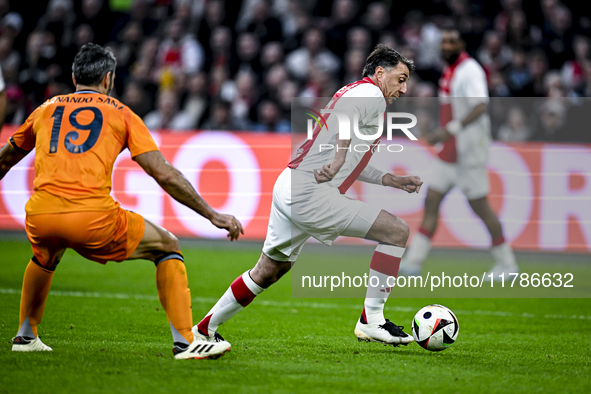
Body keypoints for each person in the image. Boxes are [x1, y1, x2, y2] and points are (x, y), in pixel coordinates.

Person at [0, 43, 244, 360]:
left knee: (46, 252)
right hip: (92, 219)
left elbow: (5, 158)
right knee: (167, 245)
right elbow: (164, 174)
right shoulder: (122, 114)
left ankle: (25, 336)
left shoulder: (45, 109)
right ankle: (187, 342)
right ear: (108, 80)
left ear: (75, 78)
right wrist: (213, 215)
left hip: (40, 215)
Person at [193, 44, 424, 351]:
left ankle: (204, 329)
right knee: (396, 232)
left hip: (290, 183)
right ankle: (372, 319)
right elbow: (345, 126)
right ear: (380, 73)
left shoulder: (356, 92)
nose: (404, 88)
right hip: (311, 193)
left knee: (269, 270)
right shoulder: (370, 95)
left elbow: (354, 157)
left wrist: (391, 179)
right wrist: (341, 157)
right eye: (400, 78)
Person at [399, 27, 518, 278]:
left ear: (462, 43)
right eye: (444, 42)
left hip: (468, 152)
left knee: (480, 207)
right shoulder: (451, 69)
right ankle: (413, 262)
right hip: (450, 151)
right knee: (432, 200)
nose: (447, 46)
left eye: (452, 41)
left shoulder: (470, 70)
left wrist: (448, 130)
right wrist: (441, 132)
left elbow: (481, 105)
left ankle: (507, 264)